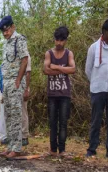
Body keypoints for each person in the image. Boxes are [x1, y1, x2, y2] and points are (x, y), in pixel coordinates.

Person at [85, 19, 108, 160]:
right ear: (105, 31)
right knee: (96, 120)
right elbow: (88, 70)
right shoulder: (94, 47)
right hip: (97, 89)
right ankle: (92, 149)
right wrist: (96, 81)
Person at [0, 15, 29, 158]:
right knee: (8, 115)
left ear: (13, 27)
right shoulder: (6, 44)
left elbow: (24, 60)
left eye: (7, 29)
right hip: (7, 82)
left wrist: (18, 80)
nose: (5, 33)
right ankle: (10, 145)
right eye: (3, 31)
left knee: (16, 115)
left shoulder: (19, 40)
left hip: (16, 82)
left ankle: (17, 148)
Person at [43, 26, 76, 156]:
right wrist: (64, 68)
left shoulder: (69, 53)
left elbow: (73, 69)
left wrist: (55, 66)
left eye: (61, 40)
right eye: (57, 40)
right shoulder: (48, 53)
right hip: (52, 93)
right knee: (52, 122)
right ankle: (52, 149)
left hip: (64, 94)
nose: (59, 43)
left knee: (63, 122)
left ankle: (62, 150)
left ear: (65, 40)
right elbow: (46, 70)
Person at [0, 55, 31, 146]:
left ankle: (24, 136)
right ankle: (11, 137)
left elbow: (28, 73)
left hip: (22, 87)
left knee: (23, 111)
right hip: (10, 88)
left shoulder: (25, 56)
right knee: (10, 113)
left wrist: (26, 89)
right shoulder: (9, 57)